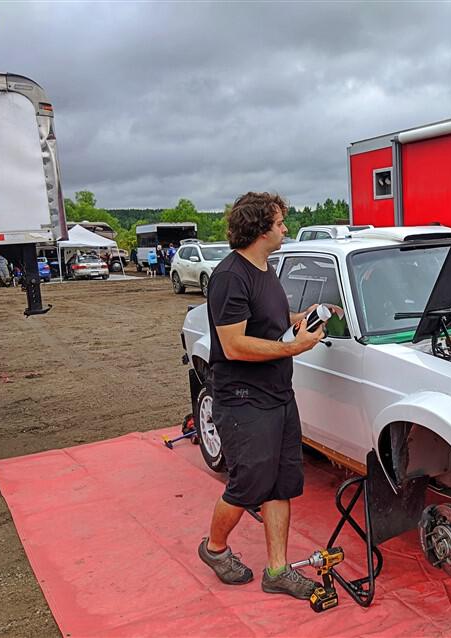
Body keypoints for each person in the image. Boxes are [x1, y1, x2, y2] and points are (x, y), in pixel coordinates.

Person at [198, 191, 323, 599]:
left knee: (280, 483)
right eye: (280, 222)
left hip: (277, 393)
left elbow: (265, 319)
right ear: (259, 228)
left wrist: (299, 320)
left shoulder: (264, 268)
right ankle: (214, 549)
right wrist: (294, 347)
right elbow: (234, 345)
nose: (285, 228)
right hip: (242, 398)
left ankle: (278, 571)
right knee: (249, 482)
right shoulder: (230, 277)